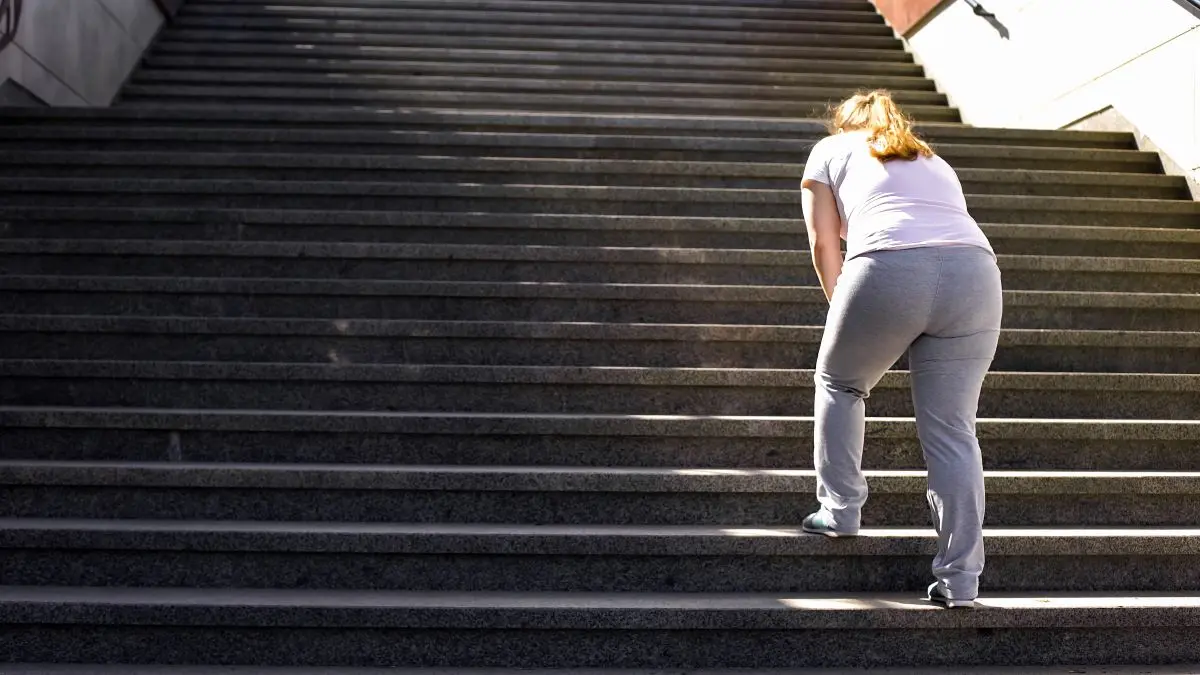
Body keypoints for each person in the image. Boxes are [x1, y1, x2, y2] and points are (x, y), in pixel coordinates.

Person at [798, 90, 1003, 610]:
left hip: (889, 266)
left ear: (843, 122)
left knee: (840, 382)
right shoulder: (931, 157)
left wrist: (843, 308)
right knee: (954, 431)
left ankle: (840, 510)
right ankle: (960, 580)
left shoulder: (832, 148)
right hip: (975, 273)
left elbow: (825, 244)